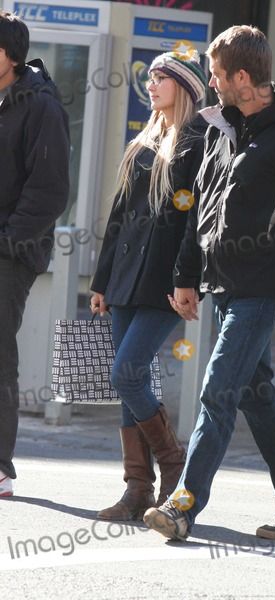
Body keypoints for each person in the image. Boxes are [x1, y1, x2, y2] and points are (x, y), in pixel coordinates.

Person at [144, 26, 275, 541]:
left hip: (266, 284)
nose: (210, 82)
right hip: (223, 284)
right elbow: (200, 209)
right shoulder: (221, 127)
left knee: (219, 388)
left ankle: (183, 506)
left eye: (214, 73)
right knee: (254, 392)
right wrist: (186, 276)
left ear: (241, 77)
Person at [90, 51, 207, 521]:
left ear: (185, 87)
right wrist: (100, 282)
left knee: (126, 372)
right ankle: (137, 488)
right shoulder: (143, 142)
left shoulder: (197, 140)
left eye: (162, 78)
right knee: (129, 379)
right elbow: (118, 218)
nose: (152, 84)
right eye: (152, 77)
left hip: (163, 282)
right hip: (123, 279)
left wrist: (186, 280)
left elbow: (194, 222)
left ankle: (174, 464)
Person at [0, 11, 70, 497]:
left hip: (10, 254)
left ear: (6, 56)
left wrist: (7, 242)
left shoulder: (39, 105)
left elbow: (49, 191)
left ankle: (0, 466)